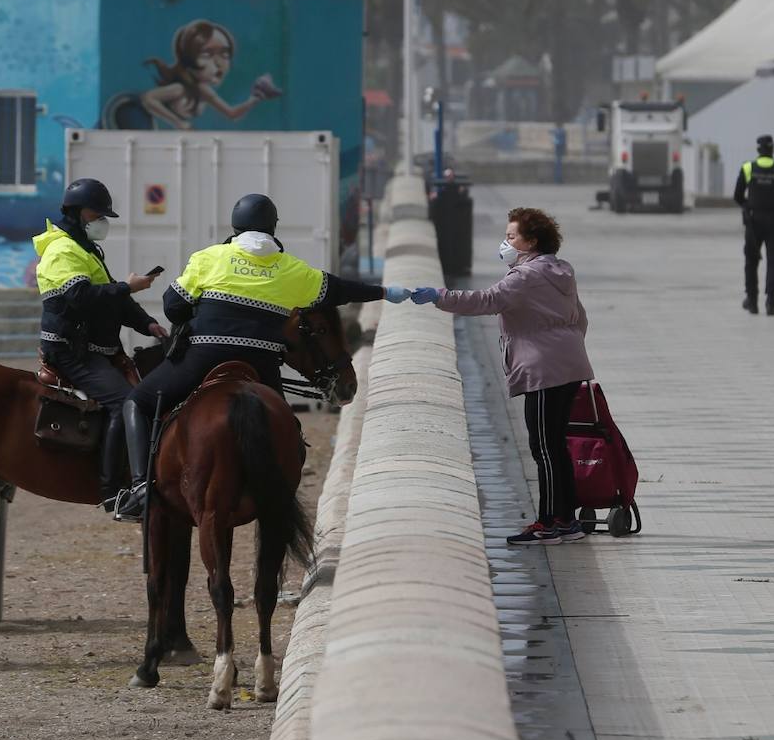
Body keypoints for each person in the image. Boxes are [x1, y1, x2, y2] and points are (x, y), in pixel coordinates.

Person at [114, 193, 410, 522]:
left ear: (235, 227)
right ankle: (282, 491)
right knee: (287, 430)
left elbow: (173, 305)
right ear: (273, 228)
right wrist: (384, 292)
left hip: (204, 355)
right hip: (262, 363)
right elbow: (341, 290)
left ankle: (140, 489)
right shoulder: (292, 269)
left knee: (137, 403)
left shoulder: (210, 257)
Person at [410, 208, 594, 547]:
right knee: (556, 446)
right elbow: (580, 318)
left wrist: (440, 297)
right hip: (570, 364)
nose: (505, 243)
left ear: (531, 241)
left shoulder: (524, 277)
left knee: (543, 447)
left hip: (543, 369)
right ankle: (568, 520)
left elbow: (486, 300)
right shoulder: (561, 270)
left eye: (511, 237)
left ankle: (548, 522)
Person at [33, 178, 168, 512]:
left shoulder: (85, 248)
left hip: (95, 349)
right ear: (78, 213)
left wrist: (147, 323)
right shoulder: (62, 250)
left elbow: (112, 302)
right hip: (70, 351)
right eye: (98, 213)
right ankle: (114, 493)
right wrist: (127, 286)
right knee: (125, 401)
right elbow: (79, 297)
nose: (102, 221)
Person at [138, 20, 282, 129]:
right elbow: (148, 98)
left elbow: (231, 114)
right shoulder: (179, 89)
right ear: (188, 57)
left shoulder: (202, 90)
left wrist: (254, 99)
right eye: (207, 54)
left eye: (224, 54)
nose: (219, 63)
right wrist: (179, 123)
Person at [734, 134, 774, 316]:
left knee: (751, 261)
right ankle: (771, 303)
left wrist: (749, 205)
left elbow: (737, 196)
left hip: (754, 221)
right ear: (772, 149)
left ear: (758, 150)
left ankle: (752, 301)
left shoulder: (747, 168)